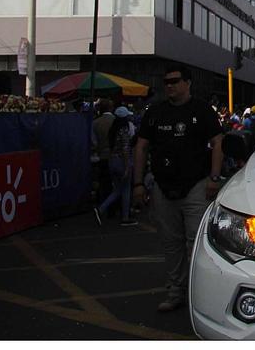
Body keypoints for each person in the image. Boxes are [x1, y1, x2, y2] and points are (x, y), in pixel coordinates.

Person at [132, 64, 224, 313]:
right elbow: (141, 147)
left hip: (196, 186)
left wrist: (214, 178)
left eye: (175, 81)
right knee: (171, 243)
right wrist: (138, 183)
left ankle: (199, 292)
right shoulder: (156, 112)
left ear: (188, 83)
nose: (170, 86)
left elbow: (217, 142)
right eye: (167, 82)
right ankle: (176, 290)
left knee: (196, 242)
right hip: (163, 186)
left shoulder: (202, 110)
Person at [94, 107, 138, 227]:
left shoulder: (112, 131)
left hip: (111, 160)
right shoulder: (123, 130)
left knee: (118, 189)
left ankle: (101, 208)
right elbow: (125, 149)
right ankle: (125, 217)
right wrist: (128, 166)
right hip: (121, 162)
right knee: (126, 189)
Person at [90, 98, 115, 205]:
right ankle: (112, 205)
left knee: (103, 181)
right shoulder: (116, 120)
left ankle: (103, 202)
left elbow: (93, 142)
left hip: (102, 156)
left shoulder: (95, 123)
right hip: (115, 156)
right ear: (111, 108)